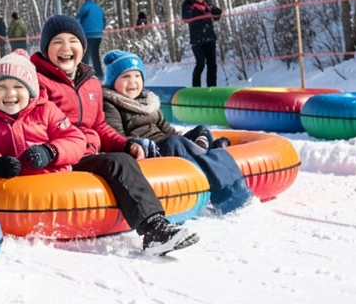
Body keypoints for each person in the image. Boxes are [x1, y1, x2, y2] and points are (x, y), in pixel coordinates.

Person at [31, 15, 198, 254]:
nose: (66, 48)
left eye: (72, 41)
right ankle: (153, 229)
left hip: (89, 153)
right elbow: (37, 125)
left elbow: (100, 126)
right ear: (46, 48)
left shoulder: (89, 83)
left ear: (82, 46)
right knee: (118, 163)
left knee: (124, 157)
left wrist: (125, 144)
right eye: (57, 41)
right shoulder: (39, 82)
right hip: (61, 156)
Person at [102, 51, 251, 214]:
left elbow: (166, 129)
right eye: (125, 77)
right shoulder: (111, 104)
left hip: (169, 143)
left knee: (200, 130)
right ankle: (223, 189)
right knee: (175, 142)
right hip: (148, 151)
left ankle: (200, 152)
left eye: (137, 76)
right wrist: (138, 145)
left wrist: (183, 137)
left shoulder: (148, 102)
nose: (133, 82)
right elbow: (116, 136)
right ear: (112, 81)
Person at [0, 49, 86, 179]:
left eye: (18, 87)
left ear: (31, 92)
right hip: (13, 191)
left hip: (52, 184)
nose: (10, 93)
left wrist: (50, 152)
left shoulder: (47, 111)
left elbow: (76, 140)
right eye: (1, 87)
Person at [182, 0, 222, 88]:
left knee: (212, 64)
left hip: (209, 37)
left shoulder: (207, 4)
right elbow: (186, 17)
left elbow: (216, 15)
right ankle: (196, 88)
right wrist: (203, 14)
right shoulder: (188, 4)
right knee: (200, 64)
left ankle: (212, 87)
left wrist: (217, 12)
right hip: (197, 40)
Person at [77, 0, 106, 78]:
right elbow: (104, 20)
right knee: (95, 54)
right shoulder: (98, 8)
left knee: (85, 53)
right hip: (98, 34)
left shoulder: (85, 6)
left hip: (88, 33)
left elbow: (79, 17)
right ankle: (99, 72)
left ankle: (84, 74)